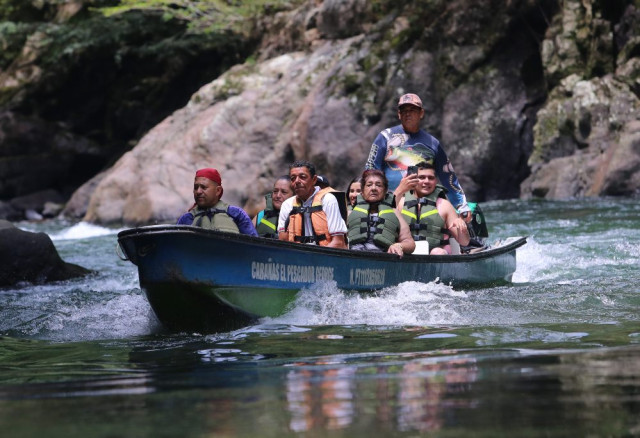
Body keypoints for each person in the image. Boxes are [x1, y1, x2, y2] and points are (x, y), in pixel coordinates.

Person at [365, 92, 472, 220]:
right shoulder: (385, 137)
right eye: (403, 110)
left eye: (412, 110)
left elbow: (448, 176)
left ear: (421, 113)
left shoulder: (433, 143)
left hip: (425, 205)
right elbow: (370, 170)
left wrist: (461, 206)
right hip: (390, 203)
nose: (407, 113)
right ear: (399, 114)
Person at [396, 162, 470, 255]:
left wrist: (462, 228)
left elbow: (464, 242)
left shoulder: (445, 205)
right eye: (422, 177)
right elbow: (386, 217)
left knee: (437, 252)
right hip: (406, 255)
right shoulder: (400, 203)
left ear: (436, 181)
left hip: (437, 255)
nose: (426, 181)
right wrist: (400, 189)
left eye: (430, 178)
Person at [278, 160, 348, 248]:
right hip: (296, 258)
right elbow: (283, 242)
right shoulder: (287, 205)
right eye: (293, 178)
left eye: (302, 177)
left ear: (314, 180)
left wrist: (315, 259)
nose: (297, 181)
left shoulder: (328, 200)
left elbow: (338, 243)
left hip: (326, 257)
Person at [347, 169, 415, 257]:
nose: (374, 188)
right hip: (353, 258)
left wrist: (399, 246)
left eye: (379, 185)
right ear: (362, 191)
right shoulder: (349, 213)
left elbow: (410, 243)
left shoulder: (394, 213)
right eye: (369, 185)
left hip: (382, 260)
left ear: (385, 191)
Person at [177, 168, 258, 236]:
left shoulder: (236, 214)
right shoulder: (186, 219)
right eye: (195, 187)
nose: (198, 191)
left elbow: (254, 245)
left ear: (218, 191)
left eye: (203, 187)